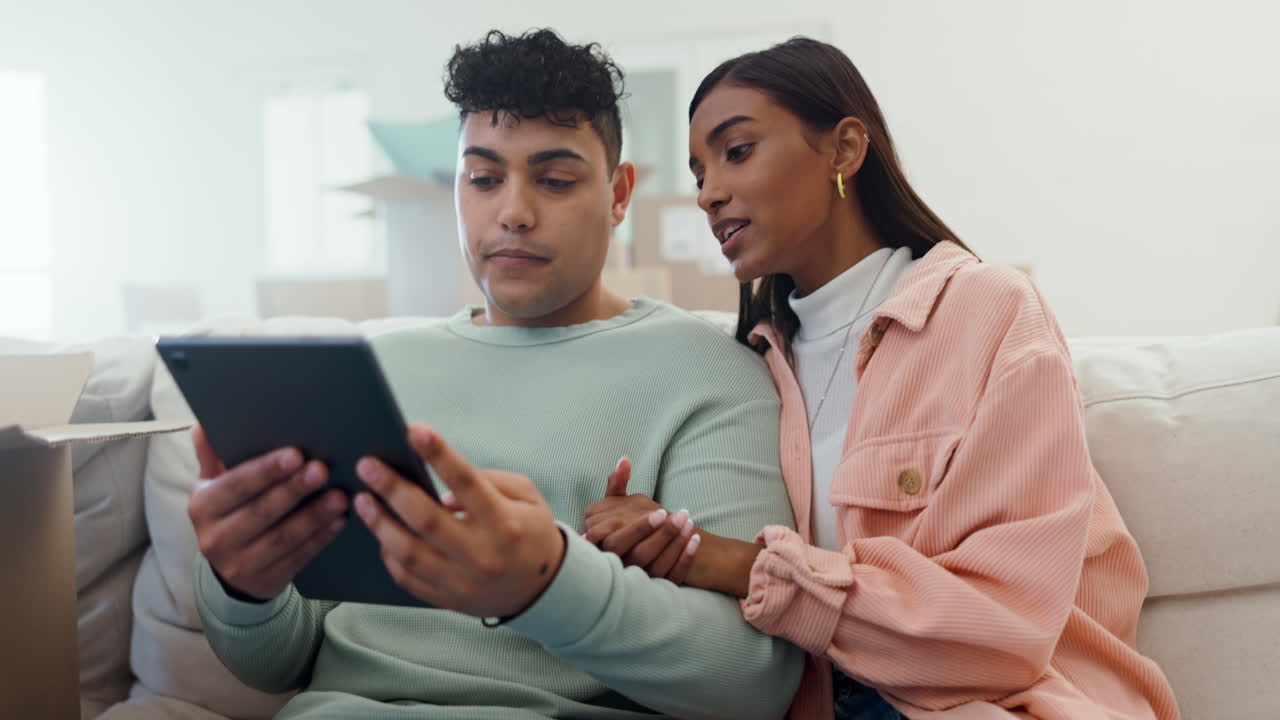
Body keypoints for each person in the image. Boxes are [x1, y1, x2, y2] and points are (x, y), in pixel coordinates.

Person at [187, 29, 803, 720]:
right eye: (483, 178)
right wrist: (244, 585)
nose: (512, 212)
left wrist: (542, 585)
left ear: (618, 193)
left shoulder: (711, 370)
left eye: (555, 179)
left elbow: (751, 684)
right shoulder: (375, 371)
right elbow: (277, 663)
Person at [584, 37, 1180, 720]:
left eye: (737, 151)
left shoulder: (987, 311)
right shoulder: (751, 368)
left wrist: (729, 562)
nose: (709, 194)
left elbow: (1003, 631)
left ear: (844, 150)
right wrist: (661, 544)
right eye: (697, 174)